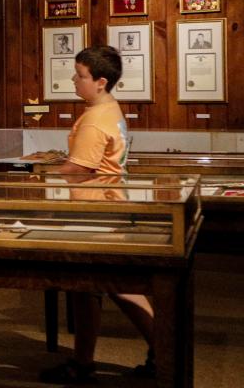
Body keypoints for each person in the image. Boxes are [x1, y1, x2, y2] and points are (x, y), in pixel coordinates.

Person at [40, 45, 155, 384]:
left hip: (94, 212)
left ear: (101, 81)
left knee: (116, 286)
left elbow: (76, 170)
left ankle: (164, 348)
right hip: (104, 207)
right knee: (90, 287)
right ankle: (83, 360)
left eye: (80, 75)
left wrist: (38, 183)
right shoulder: (109, 110)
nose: (74, 80)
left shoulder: (94, 119)